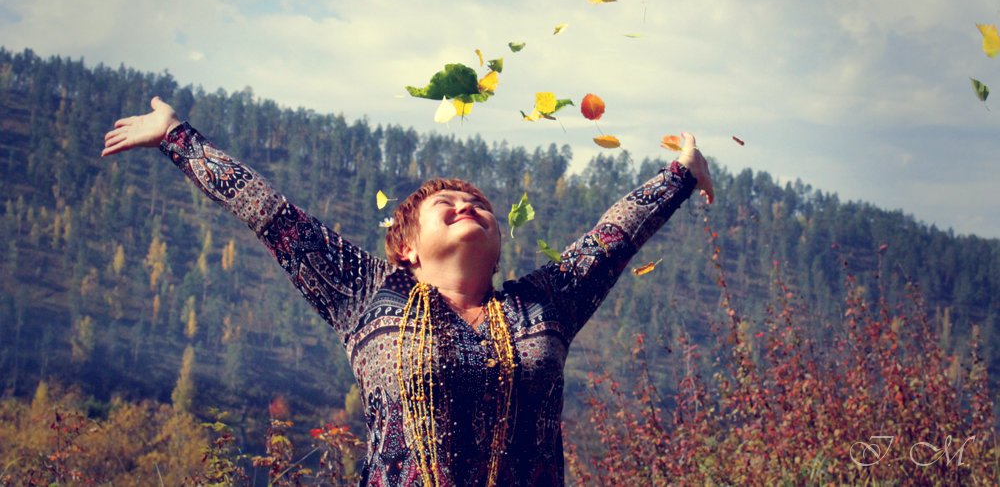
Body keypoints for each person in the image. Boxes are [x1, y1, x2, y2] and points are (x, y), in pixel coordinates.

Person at [102, 96, 713, 487]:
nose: (467, 205)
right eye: (446, 203)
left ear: (499, 246)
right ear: (406, 248)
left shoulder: (540, 305)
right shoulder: (369, 295)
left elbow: (614, 237)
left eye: (479, 204)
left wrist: (681, 175)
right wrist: (178, 138)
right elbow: (271, 214)